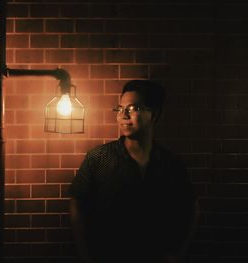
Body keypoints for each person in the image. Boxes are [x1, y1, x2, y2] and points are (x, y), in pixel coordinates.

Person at [69, 80, 200, 263]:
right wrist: (85, 256)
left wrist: (177, 253)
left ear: (153, 115)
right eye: (120, 108)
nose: (123, 115)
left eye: (133, 108)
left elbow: (191, 208)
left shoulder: (170, 163)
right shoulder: (99, 157)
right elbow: (77, 204)